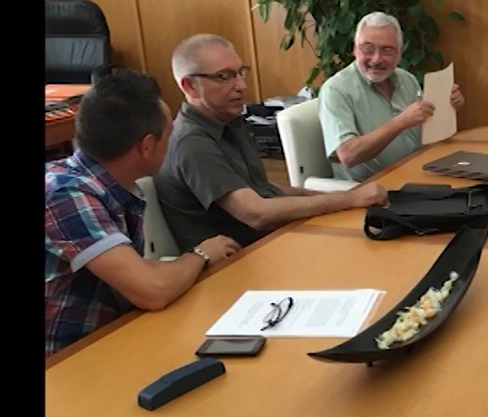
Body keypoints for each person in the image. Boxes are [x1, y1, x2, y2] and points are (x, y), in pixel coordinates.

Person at [45, 70, 242, 358]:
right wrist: (200, 255)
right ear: (147, 146)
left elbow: (140, 274)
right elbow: (151, 290)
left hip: (111, 338)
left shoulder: (106, 185)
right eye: (168, 136)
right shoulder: (67, 196)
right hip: (67, 363)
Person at [155, 34, 389, 251]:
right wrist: (348, 199)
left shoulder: (229, 121)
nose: (241, 86)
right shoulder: (192, 143)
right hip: (233, 265)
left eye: (240, 72)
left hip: (271, 241)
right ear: (190, 86)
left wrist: (346, 198)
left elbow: (265, 191)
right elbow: (257, 213)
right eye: (224, 76)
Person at [318, 12, 466, 182]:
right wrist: (401, 121)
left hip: (417, 175)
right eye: (367, 48)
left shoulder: (406, 79)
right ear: (354, 49)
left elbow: (427, 132)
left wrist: (446, 105)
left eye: (387, 50)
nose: (376, 59)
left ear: (399, 54)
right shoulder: (336, 90)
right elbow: (348, 156)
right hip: (370, 189)